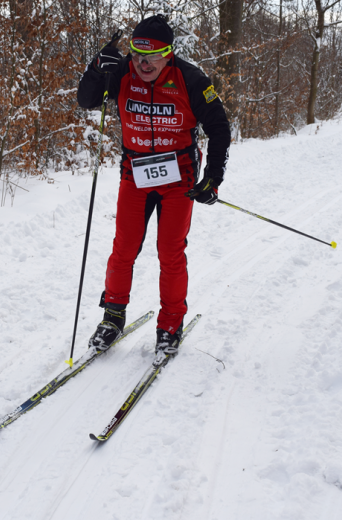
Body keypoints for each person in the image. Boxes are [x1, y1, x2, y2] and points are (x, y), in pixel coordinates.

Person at [77, 15, 231, 356]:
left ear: (169, 53)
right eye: (136, 55)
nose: (143, 64)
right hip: (136, 174)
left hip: (179, 179)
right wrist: (97, 68)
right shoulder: (122, 74)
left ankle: (171, 322)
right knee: (124, 247)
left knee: (170, 251)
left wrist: (214, 178)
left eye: (152, 56)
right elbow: (87, 99)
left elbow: (219, 127)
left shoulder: (190, 78)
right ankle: (112, 316)